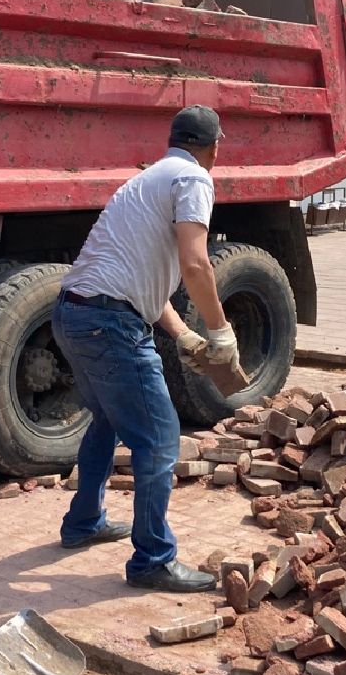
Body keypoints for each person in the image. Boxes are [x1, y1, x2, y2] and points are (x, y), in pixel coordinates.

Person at [51, 106, 239, 594]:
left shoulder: (148, 180)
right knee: (158, 438)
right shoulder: (194, 179)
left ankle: (84, 521)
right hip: (108, 324)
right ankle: (153, 559)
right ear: (213, 146)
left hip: (73, 313)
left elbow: (144, 292)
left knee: (109, 420)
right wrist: (220, 331)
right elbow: (196, 265)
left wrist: (186, 337)